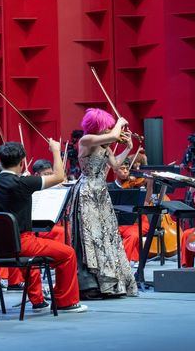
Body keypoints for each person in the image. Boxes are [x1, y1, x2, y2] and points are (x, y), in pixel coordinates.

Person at [0, 141, 87, 313]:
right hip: (21, 243)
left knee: (34, 254)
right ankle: (65, 302)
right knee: (67, 254)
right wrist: (56, 151)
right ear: (22, 162)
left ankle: (38, 300)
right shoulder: (22, 183)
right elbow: (59, 177)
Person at [69, 108, 138, 299]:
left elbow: (115, 166)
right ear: (98, 126)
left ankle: (110, 282)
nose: (109, 129)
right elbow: (115, 134)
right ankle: (90, 283)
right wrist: (120, 121)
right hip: (87, 191)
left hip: (101, 193)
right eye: (106, 126)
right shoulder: (87, 140)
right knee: (92, 237)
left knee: (107, 235)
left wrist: (128, 148)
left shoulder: (105, 146)